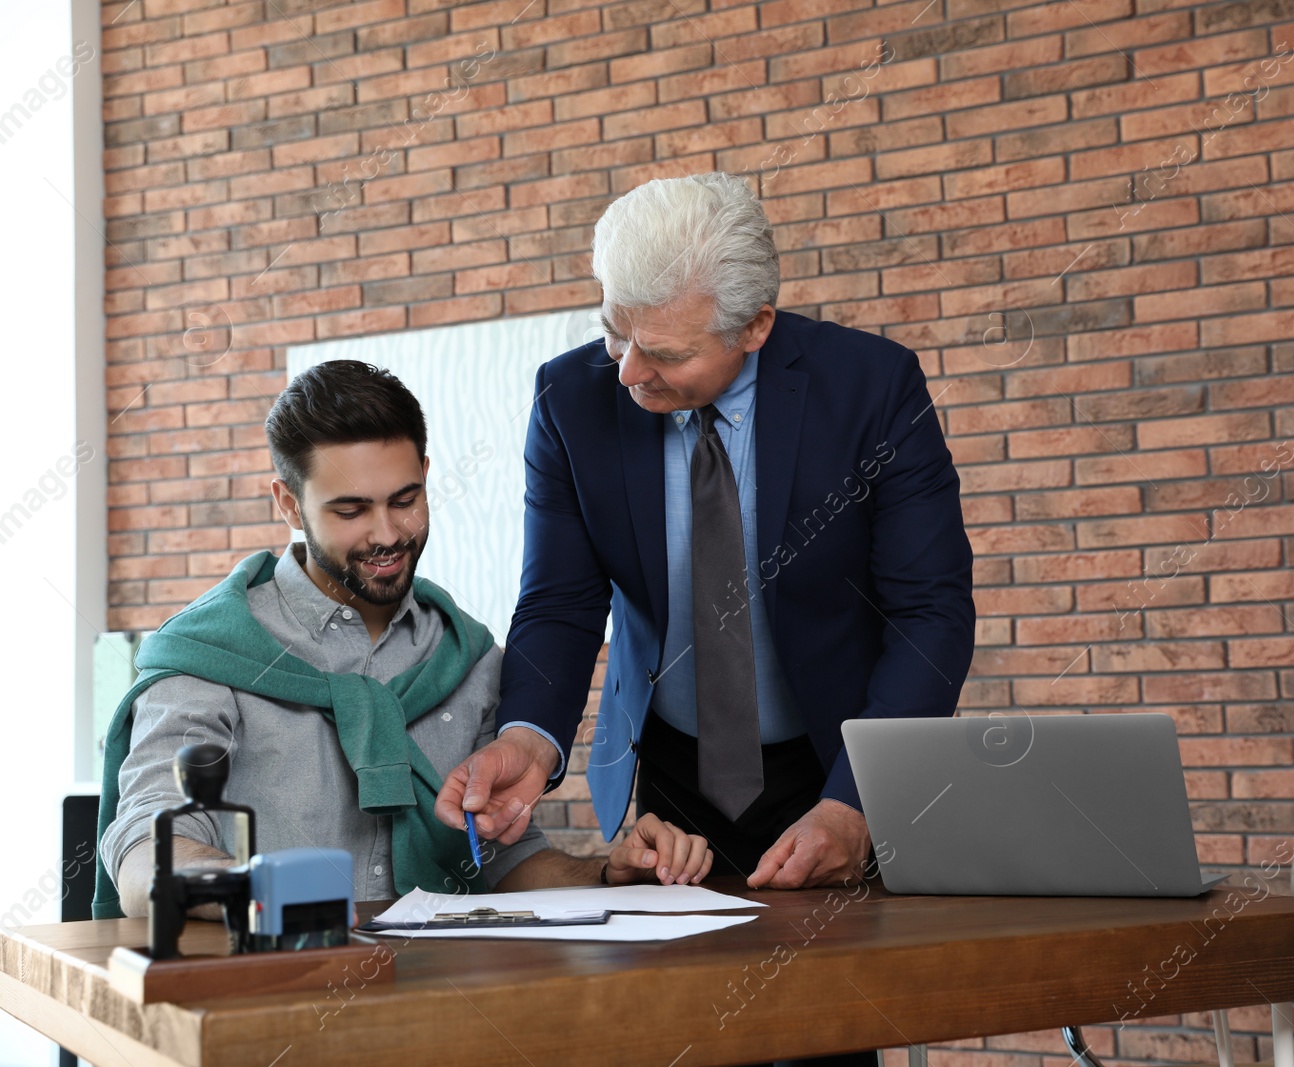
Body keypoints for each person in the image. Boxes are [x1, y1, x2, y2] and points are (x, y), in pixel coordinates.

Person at [436, 171, 974, 900]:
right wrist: (526, 738)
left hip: (841, 768)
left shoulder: (872, 389)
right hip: (674, 782)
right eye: (614, 332)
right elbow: (559, 601)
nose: (627, 371)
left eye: (663, 352)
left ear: (754, 326)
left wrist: (857, 803)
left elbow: (929, 614)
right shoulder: (570, 401)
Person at [93, 360, 711, 921]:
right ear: (288, 504)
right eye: (350, 510)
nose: (387, 534)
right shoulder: (210, 656)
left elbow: (502, 862)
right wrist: (264, 891)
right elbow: (148, 846)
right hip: (266, 1003)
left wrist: (611, 875)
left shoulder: (468, 659)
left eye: (405, 500)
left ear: (426, 478)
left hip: (436, 1008)